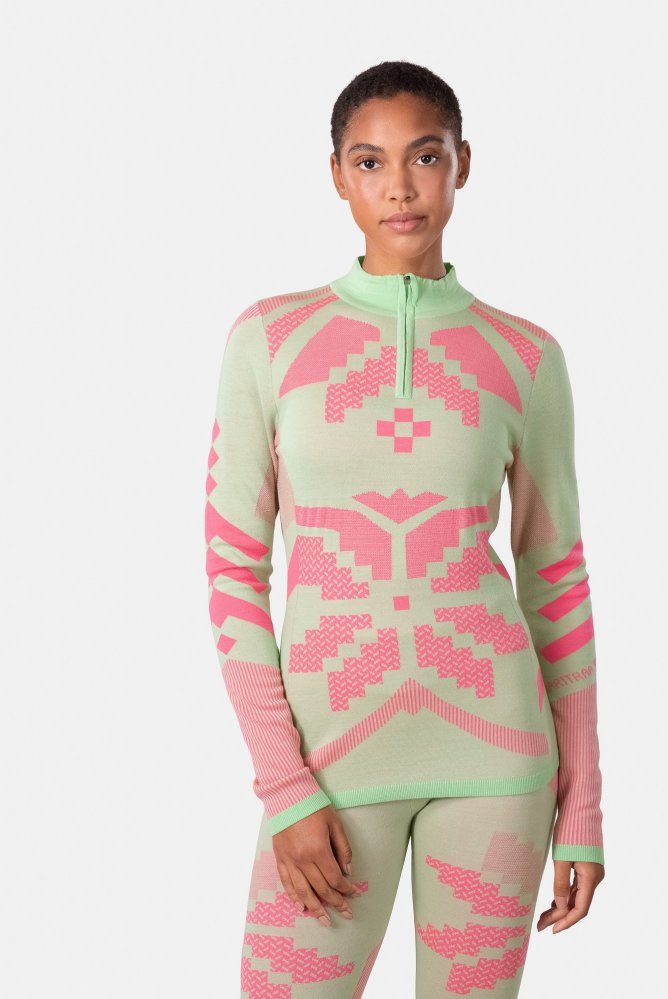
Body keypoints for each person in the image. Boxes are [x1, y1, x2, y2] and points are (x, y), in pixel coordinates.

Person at [204, 59, 605, 998]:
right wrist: (284, 786)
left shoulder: (525, 356)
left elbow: (555, 578)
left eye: (423, 157)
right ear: (337, 176)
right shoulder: (270, 339)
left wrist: (581, 805)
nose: (398, 186)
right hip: (330, 763)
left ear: (462, 164)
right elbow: (231, 574)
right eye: (369, 161)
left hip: (498, 762)